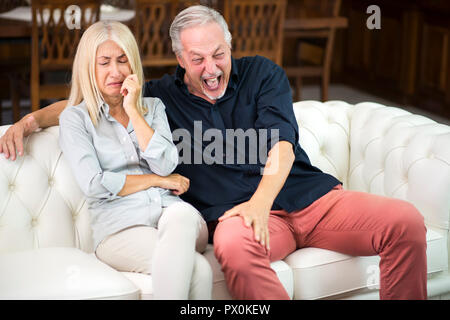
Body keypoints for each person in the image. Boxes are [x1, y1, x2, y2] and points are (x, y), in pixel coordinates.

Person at [0, 6, 427, 300]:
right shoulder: (157, 101)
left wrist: (262, 202)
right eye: (198, 58)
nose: (212, 67)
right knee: (235, 247)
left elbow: (281, 142)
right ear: (180, 59)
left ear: (230, 43)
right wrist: (29, 121)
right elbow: (93, 97)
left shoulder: (263, 74)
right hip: (237, 218)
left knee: (405, 222)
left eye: (219, 53)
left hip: (309, 198)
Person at [56, 20, 211, 300]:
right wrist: (156, 181)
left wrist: (134, 111)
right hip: (120, 229)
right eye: (104, 62)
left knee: (182, 216)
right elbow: (95, 183)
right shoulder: (75, 119)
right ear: (88, 67)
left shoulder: (153, 108)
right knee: (199, 271)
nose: (115, 71)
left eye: (122, 60)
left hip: (172, 216)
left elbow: (166, 163)